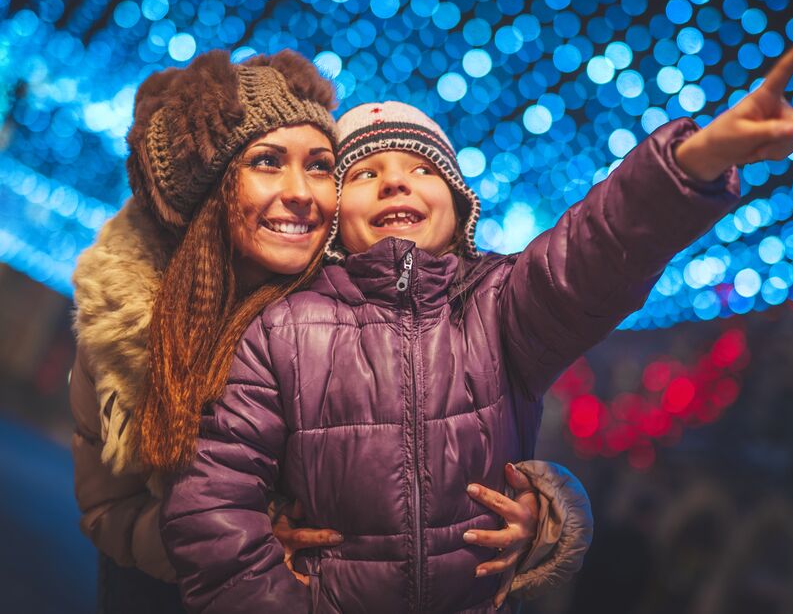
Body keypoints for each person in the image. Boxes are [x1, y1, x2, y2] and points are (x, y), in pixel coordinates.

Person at [160, 30, 793, 613]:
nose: (397, 183)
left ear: (459, 205)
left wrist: (694, 159)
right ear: (332, 219)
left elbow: (600, 246)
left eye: (423, 169)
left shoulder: (502, 305)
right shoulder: (284, 329)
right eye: (365, 172)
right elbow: (211, 499)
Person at [70, 49, 593, 613]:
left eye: (320, 166)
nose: (302, 191)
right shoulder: (131, 320)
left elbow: (441, 444)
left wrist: (542, 510)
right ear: (215, 188)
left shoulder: (357, 297)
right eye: (268, 161)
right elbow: (109, 511)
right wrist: (240, 540)